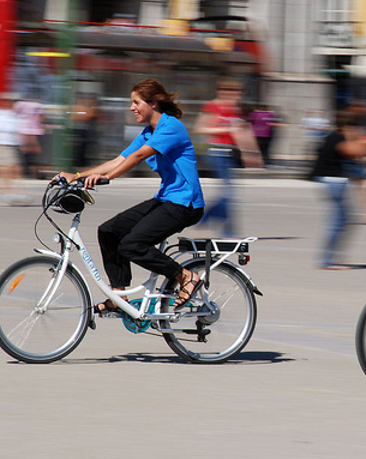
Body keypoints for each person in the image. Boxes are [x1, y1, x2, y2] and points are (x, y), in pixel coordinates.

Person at [56, 79, 205, 314]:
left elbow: (136, 158)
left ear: (153, 103)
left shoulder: (171, 127)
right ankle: (118, 298)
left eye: (136, 102)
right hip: (166, 199)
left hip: (185, 204)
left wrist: (109, 178)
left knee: (132, 244)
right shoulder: (148, 132)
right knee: (108, 232)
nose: (131, 107)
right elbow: (120, 160)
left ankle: (185, 276)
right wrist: (76, 176)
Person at [194, 78, 262, 238]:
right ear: (220, 91)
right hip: (216, 152)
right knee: (228, 193)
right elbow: (200, 128)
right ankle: (209, 222)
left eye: (237, 91)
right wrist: (227, 129)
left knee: (229, 193)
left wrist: (252, 154)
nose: (234, 94)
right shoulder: (212, 106)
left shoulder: (235, 109)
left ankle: (224, 229)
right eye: (229, 90)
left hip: (230, 153)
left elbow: (243, 132)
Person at [309, 106, 366, 269]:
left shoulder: (335, 137)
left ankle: (330, 258)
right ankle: (327, 261)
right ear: (346, 126)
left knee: (342, 220)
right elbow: (361, 151)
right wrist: (362, 137)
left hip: (334, 182)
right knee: (338, 221)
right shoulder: (337, 138)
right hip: (333, 183)